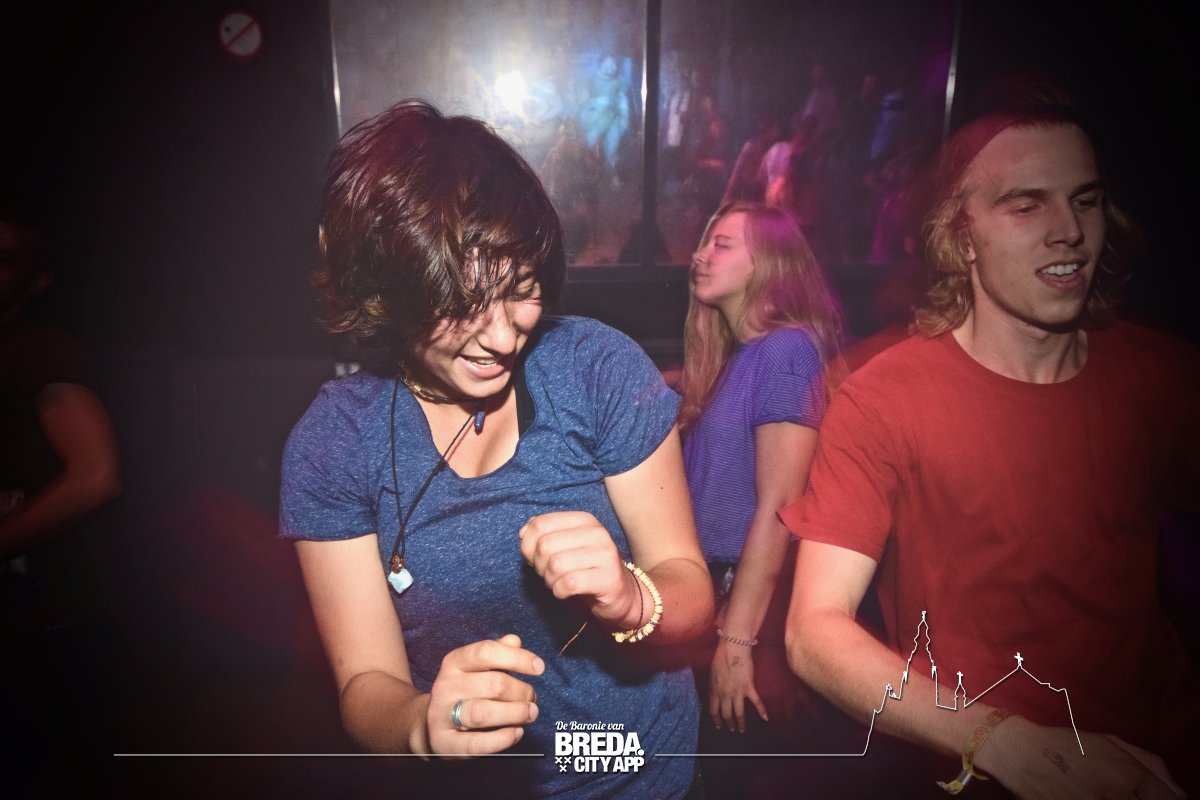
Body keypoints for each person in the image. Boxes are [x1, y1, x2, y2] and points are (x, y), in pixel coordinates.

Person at [280, 101, 713, 799]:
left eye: (521, 291)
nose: (504, 336)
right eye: (459, 304)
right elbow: (366, 684)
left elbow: (690, 586)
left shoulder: (594, 369)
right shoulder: (337, 441)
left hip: (645, 776)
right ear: (390, 294)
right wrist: (422, 725)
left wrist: (632, 598)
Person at [782, 105, 1199, 798]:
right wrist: (1002, 743)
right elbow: (813, 631)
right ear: (962, 236)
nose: (1069, 230)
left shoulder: (1165, 376)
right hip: (985, 772)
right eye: (1025, 205)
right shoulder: (884, 399)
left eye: (1085, 200)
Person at [678, 202, 843, 797]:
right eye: (704, 242)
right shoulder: (736, 360)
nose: (699, 255)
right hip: (719, 601)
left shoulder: (786, 351)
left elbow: (782, 503)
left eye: (721, 244)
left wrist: (739, 642)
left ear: (768, 263)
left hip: (748, 610)